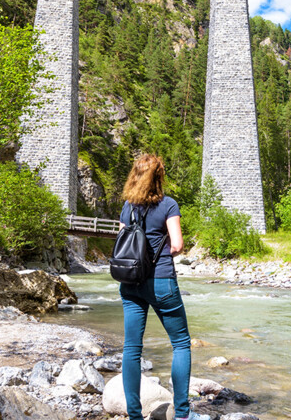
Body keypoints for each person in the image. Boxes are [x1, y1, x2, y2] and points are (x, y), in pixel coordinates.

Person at [118, 154, 202, 420]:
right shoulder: (168, 204)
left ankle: (134, 415)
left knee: (132, 348)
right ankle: (183, 414)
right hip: (162, 281)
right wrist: (161, 253)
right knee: (180, 344)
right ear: (158, 177)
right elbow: (177, 245)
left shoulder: (127, 206)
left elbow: (122, 242)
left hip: (130, 282)